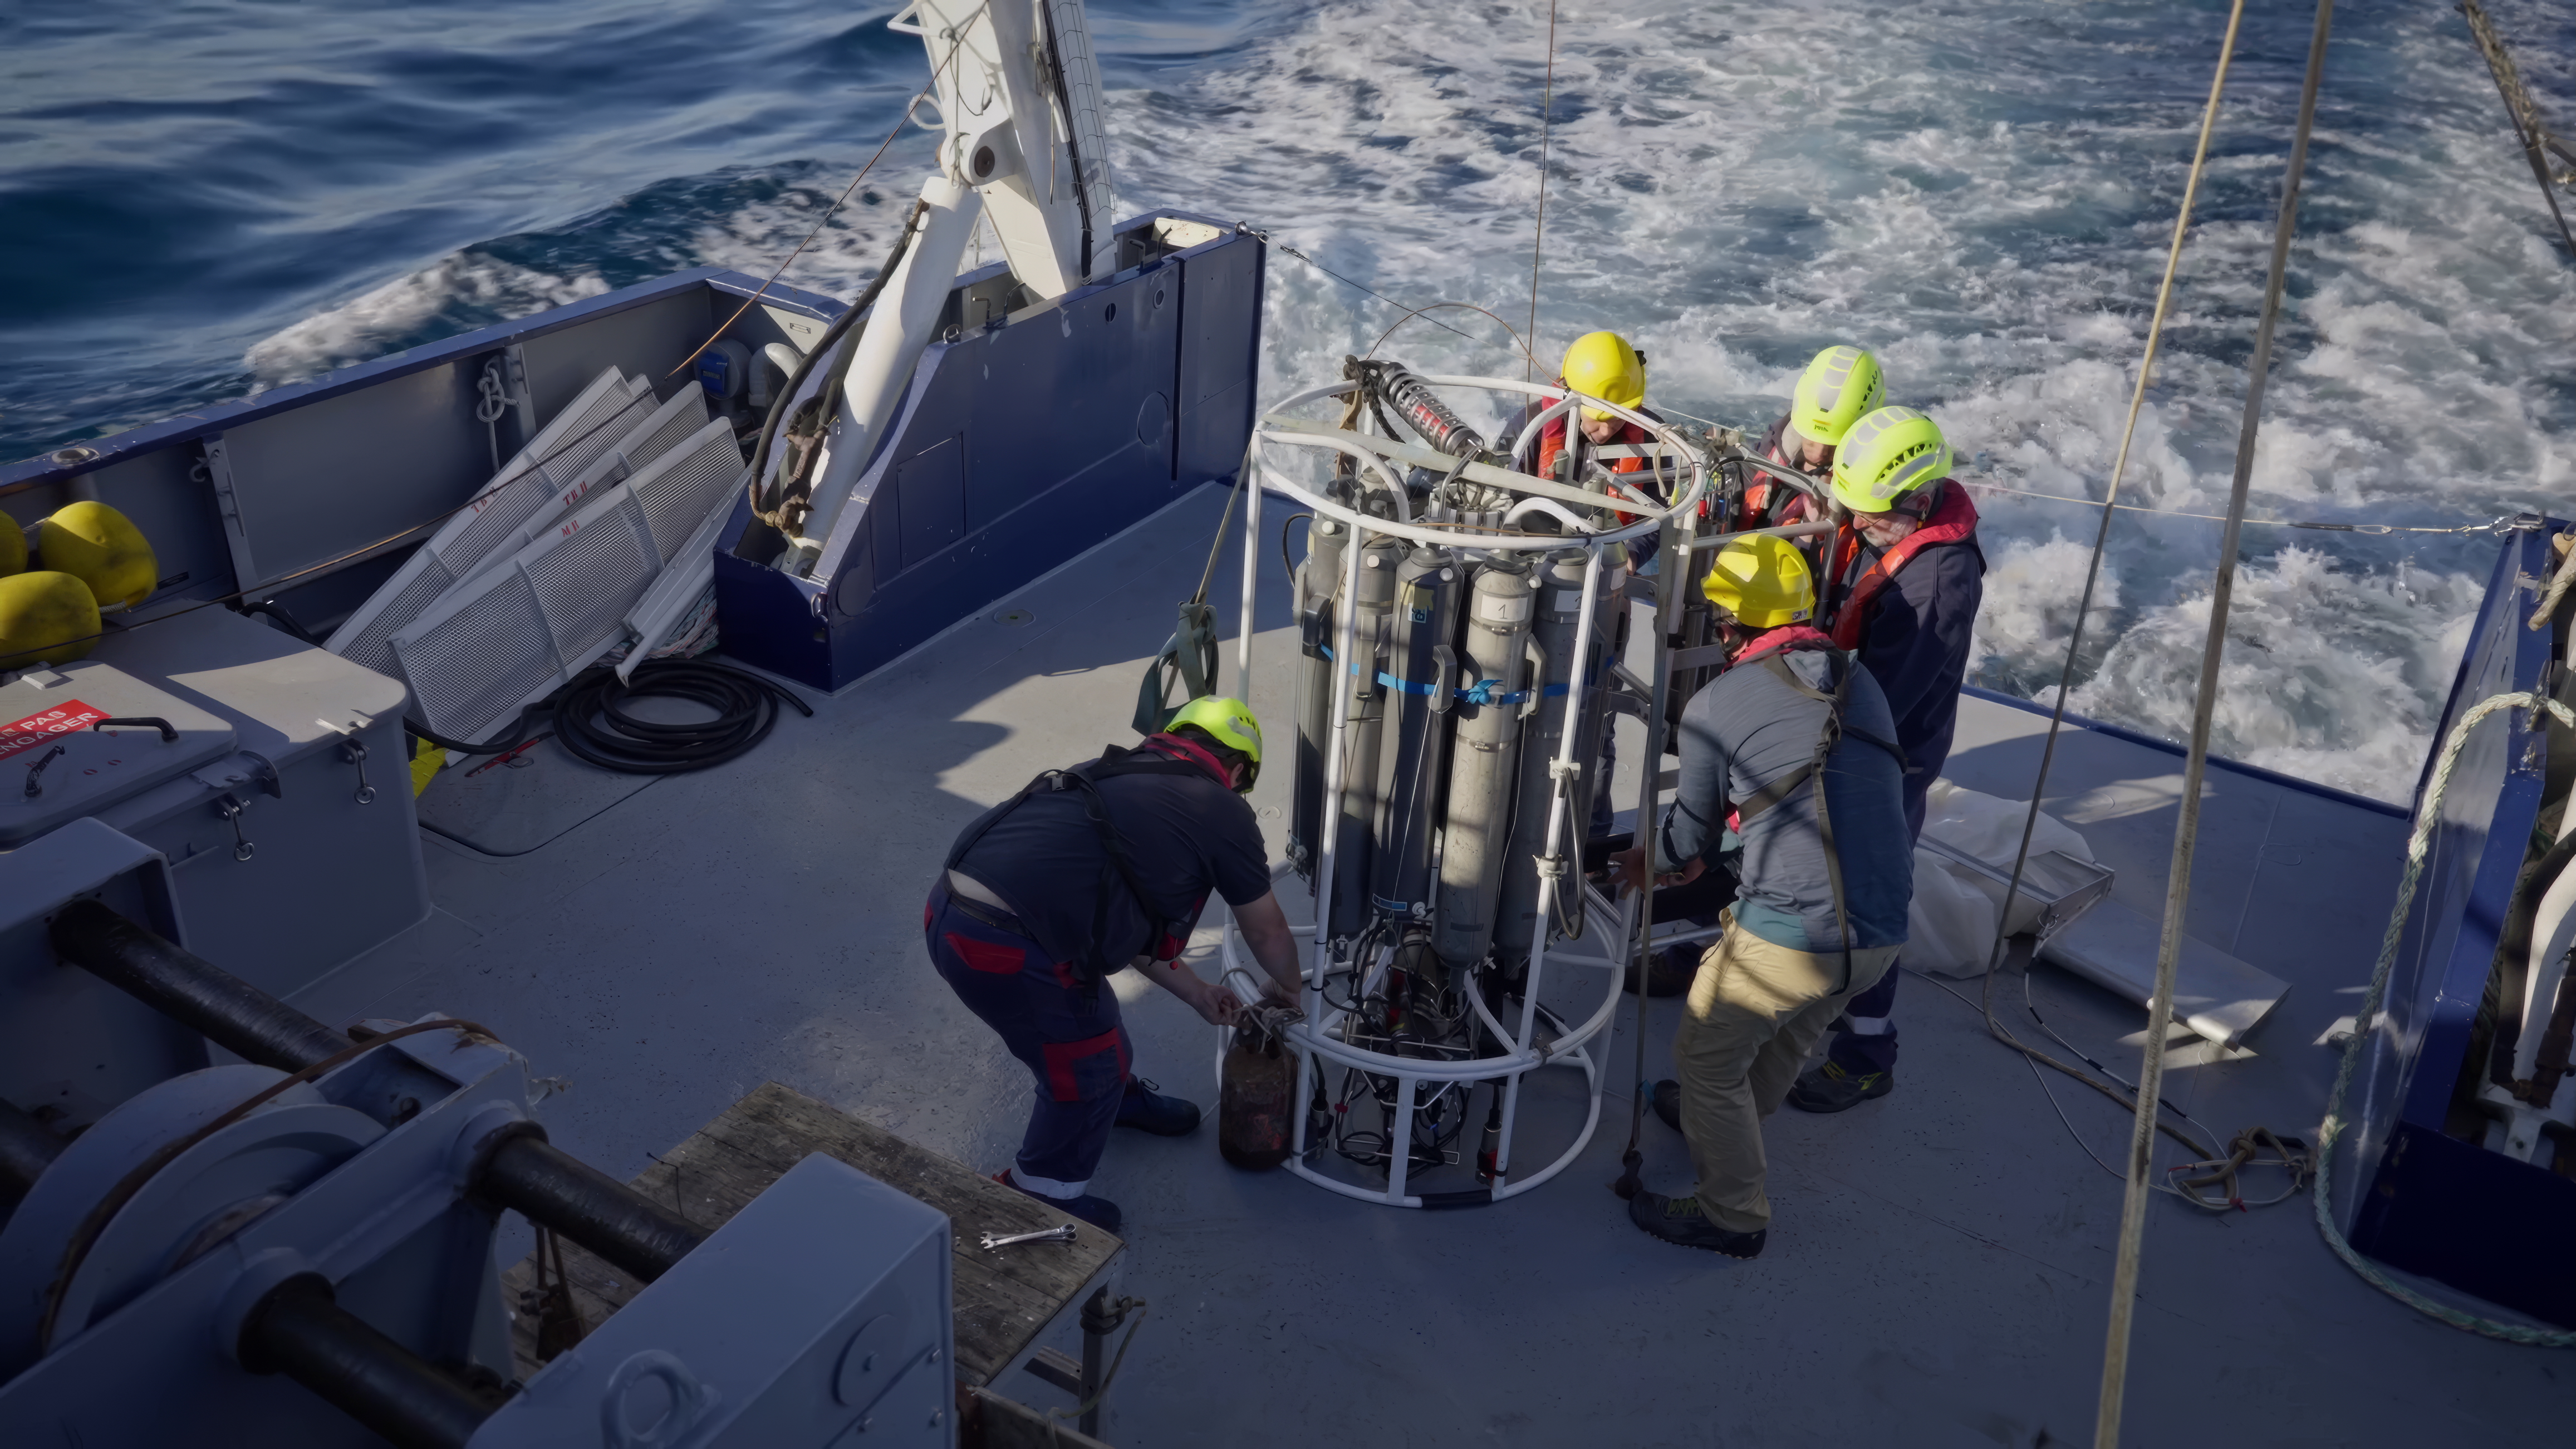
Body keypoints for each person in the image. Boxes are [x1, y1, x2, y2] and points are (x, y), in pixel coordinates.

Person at [1612, 534, 1913, 1256]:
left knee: (1707, 1057)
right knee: (1789, 1032)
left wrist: (1646, 864)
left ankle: (1731, 1211)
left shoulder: (1714, 703)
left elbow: (1688, 836)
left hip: (1790, 936)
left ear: (1724, 624)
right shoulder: (1857, 679)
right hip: (1883, 932)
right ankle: (1718, 1118)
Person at [926, 695, 1308, 1233]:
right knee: (1088, 1064)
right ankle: (1038, 1193)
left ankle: (1114, 1103)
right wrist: (1288, 988)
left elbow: (1119, 915)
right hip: (1003, 945)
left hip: (951, 914)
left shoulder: (1110, 772)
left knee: (1091, 1021)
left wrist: (1199, 992)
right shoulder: (1220, 809)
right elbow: (1266, 928)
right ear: (1238, 769)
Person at [1785, 404, 1985, 1114]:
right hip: (1848, 725)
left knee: (1869, 896)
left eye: (1871, 514)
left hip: (1884, 753)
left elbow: (1886, 703)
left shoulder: (1934, 588)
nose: (1857, 522)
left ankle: (1867, 1052)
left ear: (1918, 499)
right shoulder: (1888, 530)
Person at [1731, 344, 1885, 537]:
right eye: (1812, 440)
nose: (1820, 454)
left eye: (1832, 445)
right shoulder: (1773, 443)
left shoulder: (1877, 477)